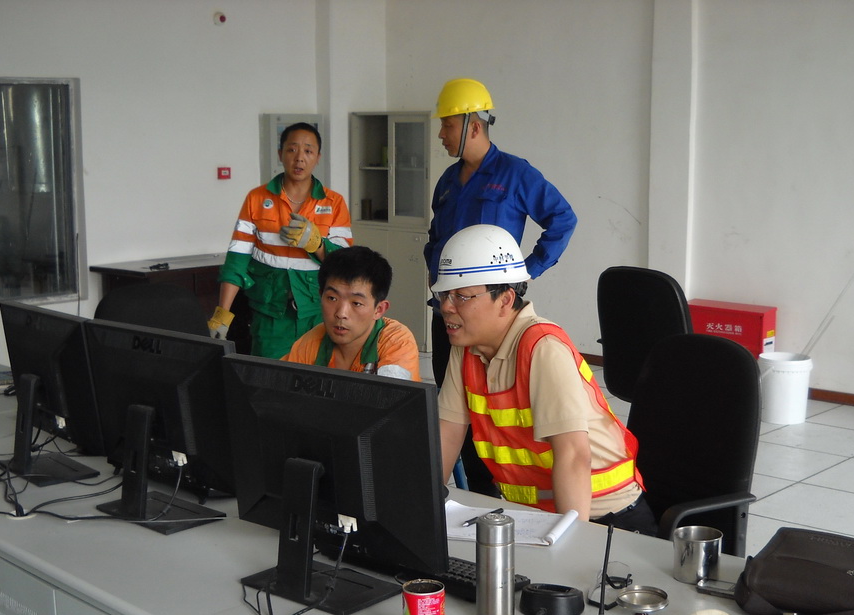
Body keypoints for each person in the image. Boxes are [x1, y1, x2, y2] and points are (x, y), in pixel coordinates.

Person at [434, 225, 655, 534]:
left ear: (505, 299)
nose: (446, 307)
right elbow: (446, 436)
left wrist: (570, 542)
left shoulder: (542, 347)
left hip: (604, 520)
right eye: (444, 294)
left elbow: (573, 456)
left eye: (461, 296)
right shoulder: (467, 348)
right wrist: (422, 508)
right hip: (534, 516)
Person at [425, 78, 578, 495]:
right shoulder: (447, 181)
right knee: (455, 407)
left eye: (448, 125)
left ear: (473, 126)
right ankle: (470, 493)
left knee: (493, 409)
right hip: (449, 311)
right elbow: (435, 238)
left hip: (489, 315)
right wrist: (436, 282)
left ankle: (495, 488)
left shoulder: (514, 173)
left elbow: (563, 219)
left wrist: (527, 270)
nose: (441, 134)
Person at [210, 122, 352, 359]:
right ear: (280, 154)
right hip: (270, 313)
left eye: (308, 151)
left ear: (318, 157)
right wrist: (222, 313)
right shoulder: (256, 198)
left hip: (318, 311)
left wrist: (317, 245)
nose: (299, 158)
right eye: (292, 149)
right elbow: (237, 260)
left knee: (318, 376)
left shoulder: (333, 202)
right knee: (268, 376)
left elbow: (346, 263)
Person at [282, 246, 420, 381]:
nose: (341, 313)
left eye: (356, 303)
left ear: (379, 310)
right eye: (332, 298)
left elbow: (390, 394)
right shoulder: (310, 343)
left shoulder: (397, 343)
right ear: (321, 296)